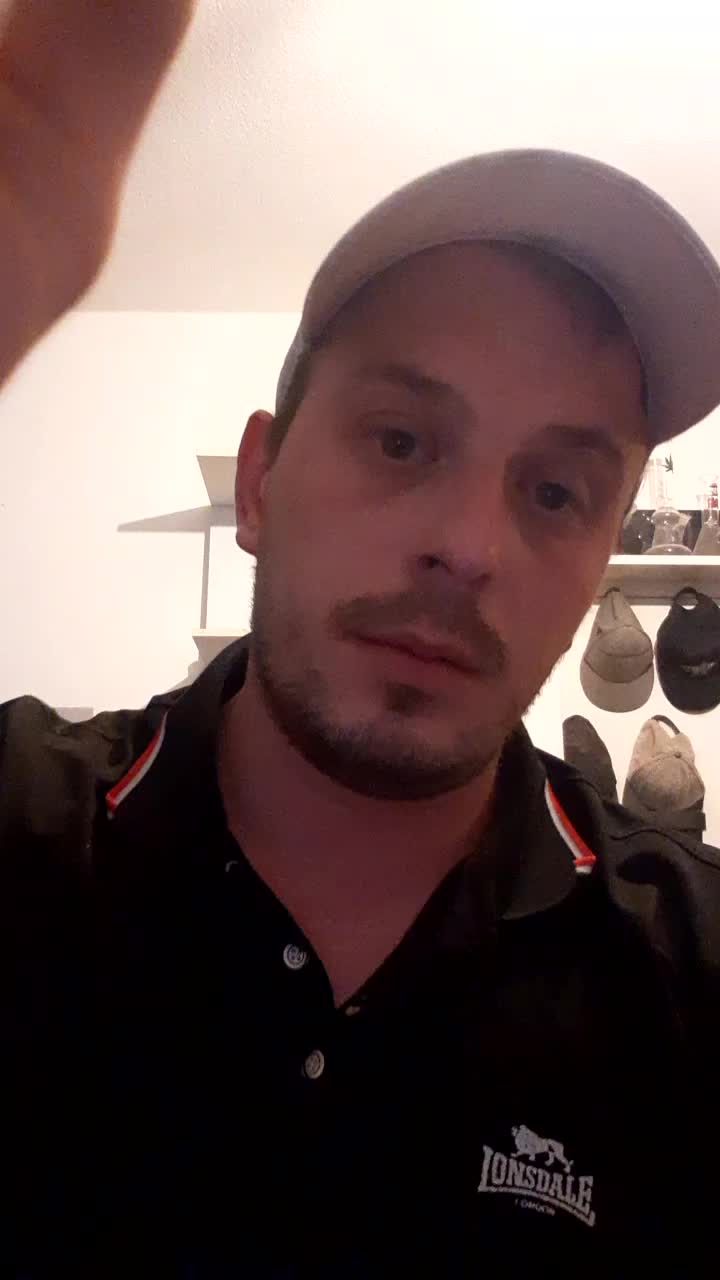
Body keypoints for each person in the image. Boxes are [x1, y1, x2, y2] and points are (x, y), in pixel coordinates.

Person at [5, 3, 720, 1276]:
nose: (470, 544)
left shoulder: (690, 965)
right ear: (262, 485)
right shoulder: (19, 837)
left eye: (556, 490)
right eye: (402, 439)